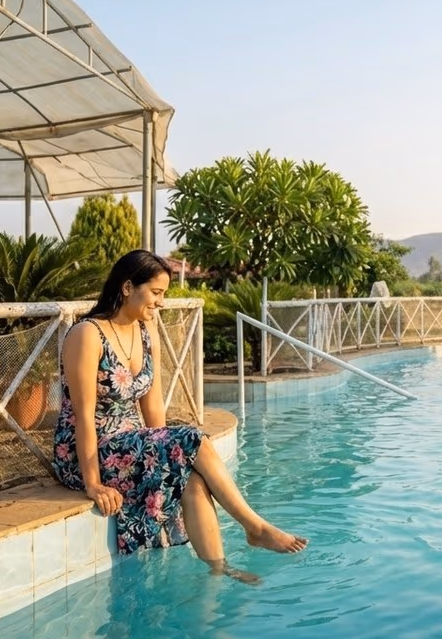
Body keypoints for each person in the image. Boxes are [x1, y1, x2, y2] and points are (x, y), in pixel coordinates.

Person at [51, 249, 307, 584]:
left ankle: (218, 569)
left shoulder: (146, 331)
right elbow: (82, 415)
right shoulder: (87, 334)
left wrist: (166, 457)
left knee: (192, 476)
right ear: (128, 287)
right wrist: (93, 483)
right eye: (156, 293)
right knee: (190, 438)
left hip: (131, 445)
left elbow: (153, 407)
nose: (160, 302)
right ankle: (254, 526)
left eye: (164, 294)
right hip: (87, 452)